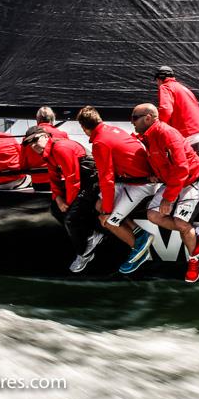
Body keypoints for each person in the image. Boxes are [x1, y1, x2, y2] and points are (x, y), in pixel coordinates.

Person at [131, 104, 199, 283]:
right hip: (173, 182)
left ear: (148, 118)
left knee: (181, 223)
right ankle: (197, 233)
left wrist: (169, 198)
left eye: (134, 117)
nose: (132, 122)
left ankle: (193, 260)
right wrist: (154, 174)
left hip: (192, 179)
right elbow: (161, 161)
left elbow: (182, 169)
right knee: (152, 215)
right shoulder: (148, 137)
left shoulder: (167, 133)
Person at [77, 106, 157, 274]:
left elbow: (106, 180)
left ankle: (139, 250)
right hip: (134, 180)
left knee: (107, 220)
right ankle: (138, 231)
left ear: (84, 128)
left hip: (141, 185)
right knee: (99, 205)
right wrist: (104, 207)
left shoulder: (99, 142)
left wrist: (107, 211)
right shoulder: (112, 129)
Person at [24, 128, 103, 273]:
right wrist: (59, 199)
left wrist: (69, 203)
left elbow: (73, 179)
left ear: (46, 136)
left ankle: (84, 253)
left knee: (70, 219)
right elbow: (54, 179)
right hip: (82, 182)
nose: (33, 145)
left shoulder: (61, 148)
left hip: (93, 181)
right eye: (29, 143)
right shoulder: (48, 153)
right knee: (55, 208)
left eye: (35, 140)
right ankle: (90, 234)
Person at [155, 65, 199, 160]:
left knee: (181, 173)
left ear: (159, 79)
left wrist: (158, 130)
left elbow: (166, 110)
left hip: (188, 138)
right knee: (196, 173)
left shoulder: (165, 87)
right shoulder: (185, 89)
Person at [21, 107, 69, 190]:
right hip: (59, 180)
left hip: (39, 183)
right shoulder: (62, 135)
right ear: (53, 119)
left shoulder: (27, 139)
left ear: (37, 120)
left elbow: (23, 164)